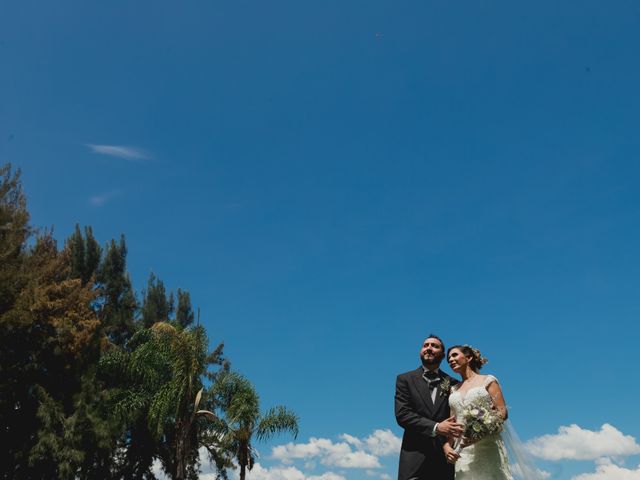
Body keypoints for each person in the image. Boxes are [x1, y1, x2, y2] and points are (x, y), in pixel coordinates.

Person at [395, 335, 464, 480]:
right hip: (414, 459)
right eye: (426, 345)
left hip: (445, 460)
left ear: (443, 355)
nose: (429, 348)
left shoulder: (454, 383)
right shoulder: (405, 379)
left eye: (434, 346)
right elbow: (403, 415)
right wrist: (437, 427)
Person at [444, 345, 511, 479]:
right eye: (449, 358)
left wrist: (479, 433)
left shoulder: (488, 380)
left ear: (468, 357)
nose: (450, 359)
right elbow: (453, 422)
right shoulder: (453, 389)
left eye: (454, 355)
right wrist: (447, 446)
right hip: (462, 451)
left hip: (487, 447)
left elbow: (502, 412)